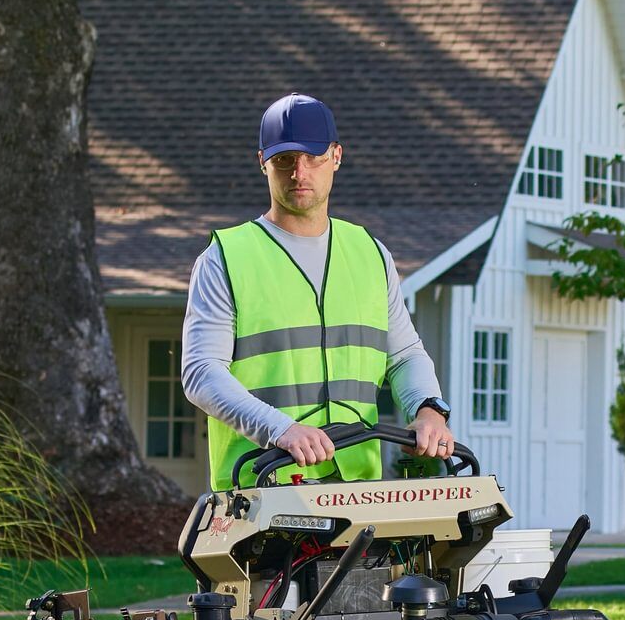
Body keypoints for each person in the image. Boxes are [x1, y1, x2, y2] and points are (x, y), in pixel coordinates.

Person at [182, 93, 457, 489]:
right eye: (284, 160)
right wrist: (281, 430)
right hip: (264, 486)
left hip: (358, 492)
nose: (299, 173)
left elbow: (403, 355)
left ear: (337, 157)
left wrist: (429, 409)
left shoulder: (370, 254)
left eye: (313, 158)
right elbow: (202, 373)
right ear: (263, 162)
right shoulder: (224, 259)